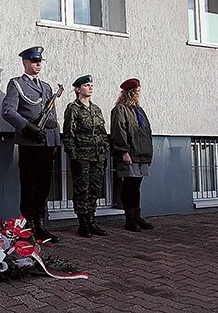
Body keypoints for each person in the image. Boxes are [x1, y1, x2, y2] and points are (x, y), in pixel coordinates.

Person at [2, 46, 61, 243]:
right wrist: (27, 128)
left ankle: (41, 225)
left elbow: (52, 116)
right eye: (34, 61)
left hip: (48, 142)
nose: (38, 64)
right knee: (30, 186)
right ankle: (28, 227)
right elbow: (8, 111)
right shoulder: (16, 84)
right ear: (25, 63)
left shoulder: (46, 87)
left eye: (40, 61)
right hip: (30, 142)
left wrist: (56, 139)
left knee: (44, 186)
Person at [62, 75, 109, 238]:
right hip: (81, 155)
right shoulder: (73, 108)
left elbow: (103, 133)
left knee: (95, 188)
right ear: (77, 89)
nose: (90, 88)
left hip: (98, 155)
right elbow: (68, 134)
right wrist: (73, 155)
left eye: (91, 85)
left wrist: (105, 153)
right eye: (86, 85)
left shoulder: (96, 109)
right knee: (82, 189)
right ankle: (83, 223)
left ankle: (91, 220)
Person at [110, 78, 154, 232]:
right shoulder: (120, 110)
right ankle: (129, 219)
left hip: (141, 154)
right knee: (129, 186)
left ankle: (137, 216)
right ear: (129, 93)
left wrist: (148, 153)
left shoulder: (138, 110)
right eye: (136, 92)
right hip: (129, 153)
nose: (138, 95)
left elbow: (145, 132)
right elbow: (119, 131)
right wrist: (123, 151)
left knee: (136, 186)